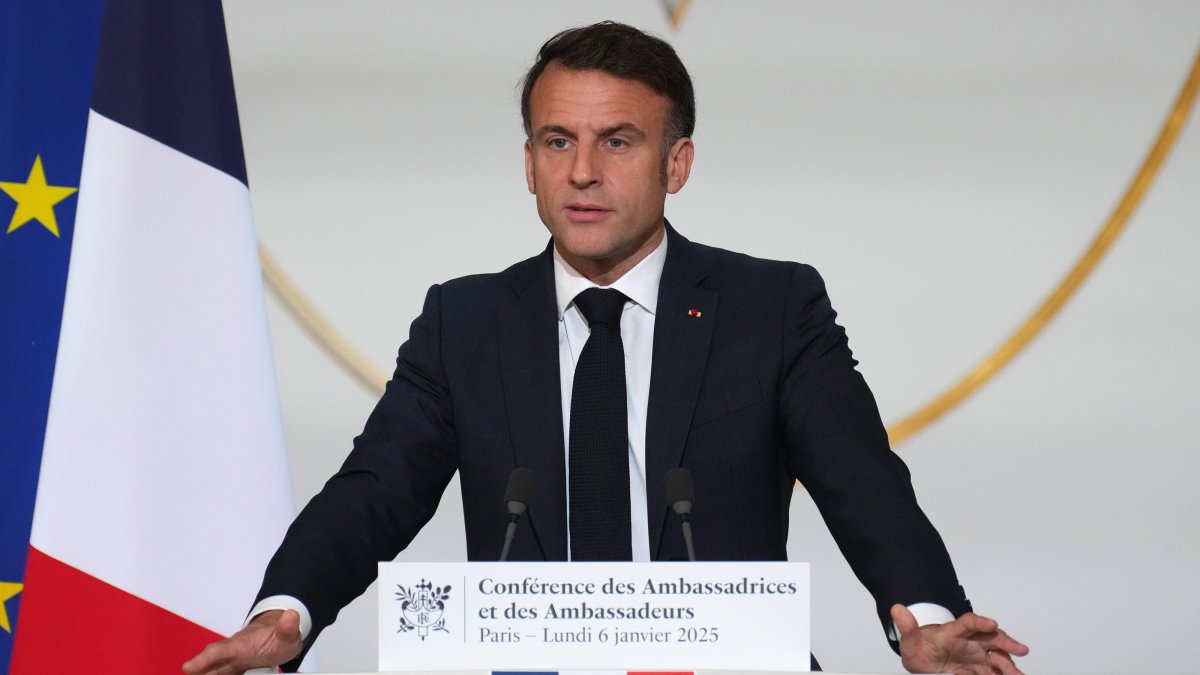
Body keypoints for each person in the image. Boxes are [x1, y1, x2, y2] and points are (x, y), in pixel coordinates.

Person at [184, 21, 1027, 675]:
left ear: (677, 163)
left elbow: (861, 480)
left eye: (617, 141)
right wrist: (286, 612)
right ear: (528, 162)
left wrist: (924, 610)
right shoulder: (465, 320)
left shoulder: (770, 308)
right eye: (559, 141)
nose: (583, 171)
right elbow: (375, 490)